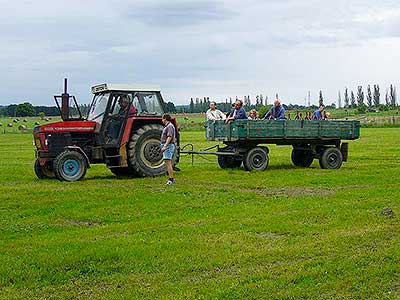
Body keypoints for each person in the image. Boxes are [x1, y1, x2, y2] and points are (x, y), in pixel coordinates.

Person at [161, 114, 176, 185]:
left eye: (162, 119)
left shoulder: (170, 126)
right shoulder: (167, 126)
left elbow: (169, 137)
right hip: (166, 145)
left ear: (165, 119)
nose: (162, 120)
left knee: (168, 162)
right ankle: (171, 178)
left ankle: (171, 179)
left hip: (168, 145)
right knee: (167, 162)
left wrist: (165, 146)